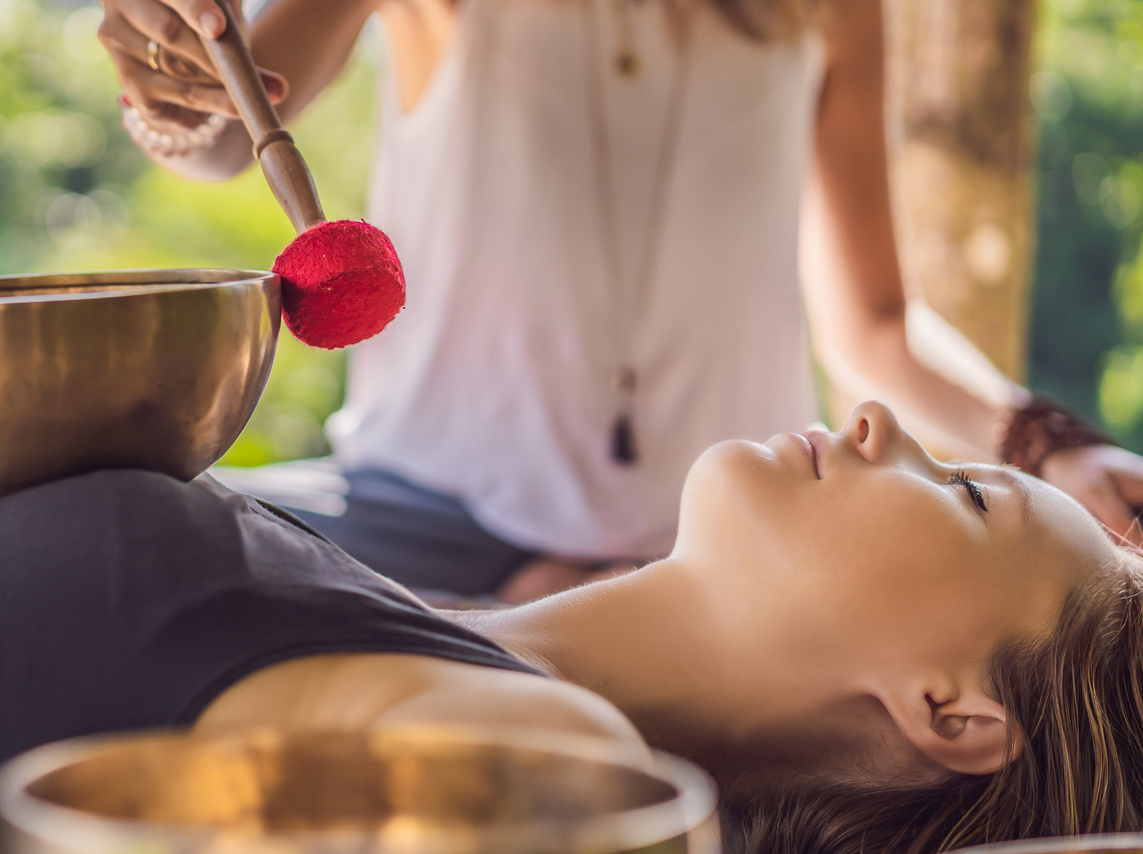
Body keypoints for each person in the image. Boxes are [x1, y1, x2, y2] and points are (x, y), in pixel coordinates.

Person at [0, 401, 1140, 854]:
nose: (877, 419)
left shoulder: (542, 792)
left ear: (954, 713)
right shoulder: (435, 635)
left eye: (967, 490)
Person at [96, 0, 1143, 601]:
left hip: (724, 557)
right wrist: (166, 73)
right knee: (118, 546)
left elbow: (872, 326)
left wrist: (1049, 444)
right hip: (418, 520)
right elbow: (229, 128)